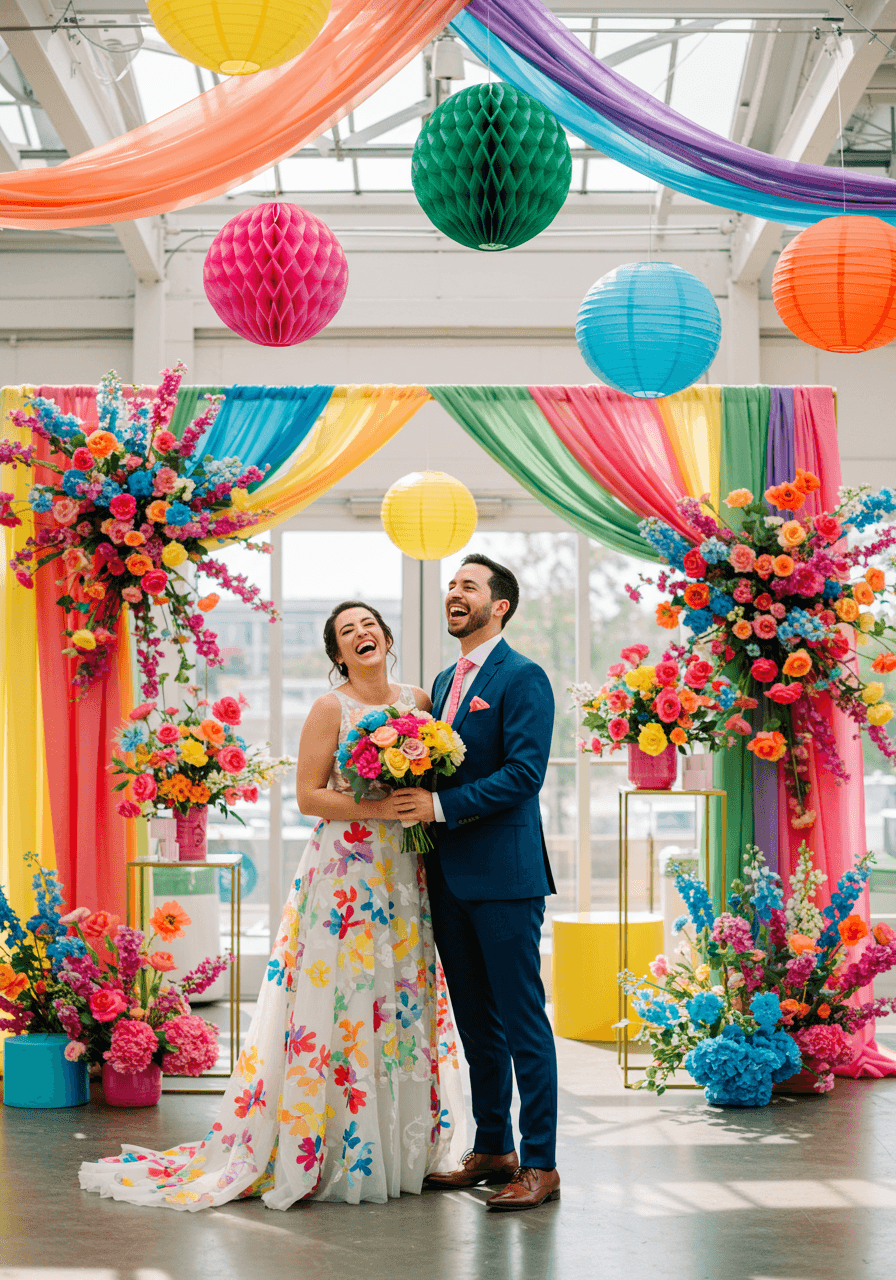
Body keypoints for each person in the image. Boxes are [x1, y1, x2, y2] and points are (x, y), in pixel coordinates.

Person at [79, 601, 465, 1211]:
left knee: (394, 996)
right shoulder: (329, 708)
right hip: (347, 871)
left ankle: (398, 1148)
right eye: (347, 632)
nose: (361, 635)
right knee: (339, 992)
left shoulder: (419, 702)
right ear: (337, 653)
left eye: (369, 626)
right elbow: (310, 797)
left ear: (386, 638)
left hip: (403, 874)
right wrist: (373, 808)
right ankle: (329, 1144)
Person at [392, 553, 559, 1211]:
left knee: (521, 1022)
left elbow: (525, 774)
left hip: (506, 877)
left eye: (469, 586)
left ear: (501, 605)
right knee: (474, 1021)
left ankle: (540, 1163)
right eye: (451, 586)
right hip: (448, 876)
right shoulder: (441, 678)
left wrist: (437, 807)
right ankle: (494, 1145)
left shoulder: (524, 677)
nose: (454, 594)